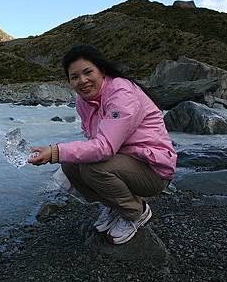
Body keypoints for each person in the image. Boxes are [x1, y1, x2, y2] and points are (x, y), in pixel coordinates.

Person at [28, 44, 176, 245]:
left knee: (93, 169)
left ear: (102, 70)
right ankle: (116, 206)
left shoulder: (121, 93)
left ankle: (136, 212)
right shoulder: (84, 101)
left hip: (153, 169)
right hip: (125, 162)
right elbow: (93, 142)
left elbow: (104, 147)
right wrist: (60, 155)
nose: (82, 81)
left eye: (88, 72)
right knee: (70, 165)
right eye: (74, 77)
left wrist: (55, 151)